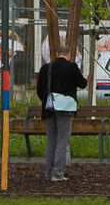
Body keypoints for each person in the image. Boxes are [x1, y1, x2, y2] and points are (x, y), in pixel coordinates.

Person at [36, 45, 87, 182]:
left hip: (49, 108)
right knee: (62, 142)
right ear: (69, 54)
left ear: (57, 53)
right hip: (65, 110)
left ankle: (48, 174)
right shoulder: (72, 67)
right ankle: (57, 174)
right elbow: (82, 83)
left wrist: (49, 101)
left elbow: (39, 90)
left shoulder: (46, 68)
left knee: (51, 142)